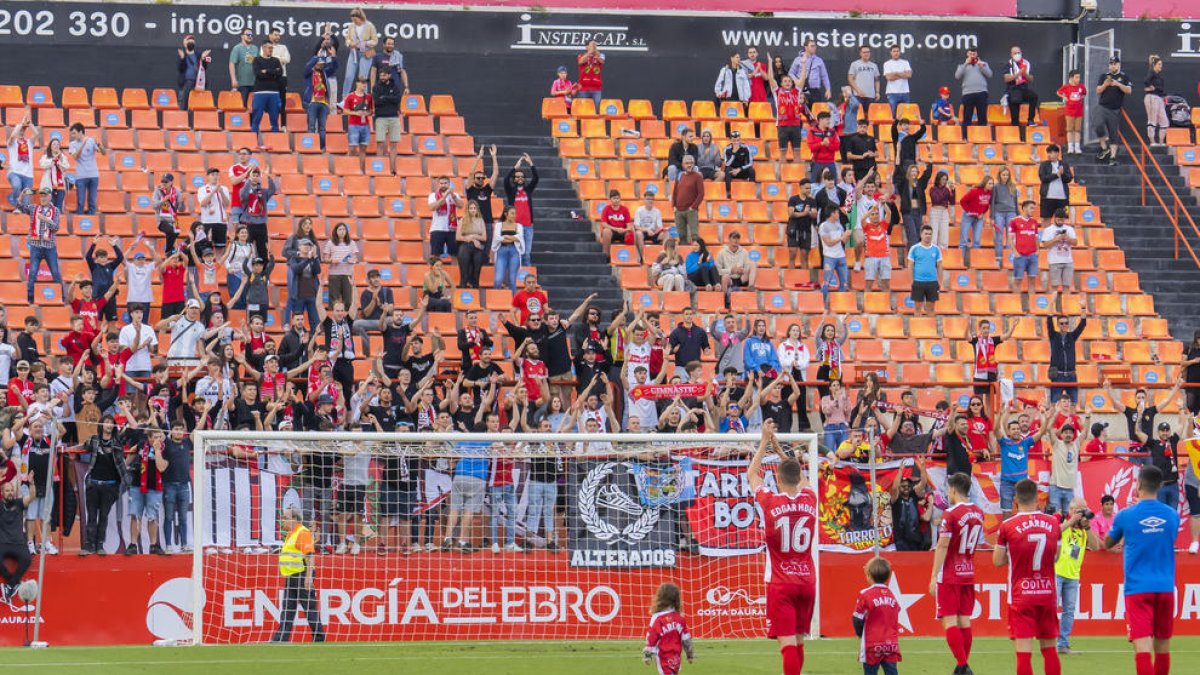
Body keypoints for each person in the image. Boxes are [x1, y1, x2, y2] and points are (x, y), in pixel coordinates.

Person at [749, 422, 817, 675]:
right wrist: (780, 451)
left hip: (781, 582)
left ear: (777, 478)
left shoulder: (769, 501)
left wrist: (765, 441)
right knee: (798, 641)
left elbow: (752, 475)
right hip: (807, 582)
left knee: (787, 643)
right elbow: (799, 475)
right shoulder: (810, 498)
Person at [1104, 465, 1179, 675]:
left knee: (1142, 646)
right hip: (1165, 587)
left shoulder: (1126, 516)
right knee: (1163, 646)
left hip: (1138, 589)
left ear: (1137, 485)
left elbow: (1108, 543)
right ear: (1161, 485)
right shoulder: (1172, 516)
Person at [994, 479, 1063, 675]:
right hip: (1047, 593)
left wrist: (1016, 555)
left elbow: (998, 561)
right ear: (1037, 498)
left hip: (1021, 595)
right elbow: (1055, 556)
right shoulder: (1053, 523)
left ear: (1015, 499)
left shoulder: (1007, 526)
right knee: (1050, 650)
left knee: (1023, 653)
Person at [929, 472, 984, 675]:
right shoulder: (979, 513)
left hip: (950, 573)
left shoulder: (950, 514)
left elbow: (943, 544)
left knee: (949, 621)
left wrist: (934, 575)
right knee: (964, 620)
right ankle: (963, 666)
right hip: (968, 570)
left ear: (952, 490)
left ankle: (963, 665)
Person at [271, 507, 325, 642]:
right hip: (291, 576)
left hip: (302, 575)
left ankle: (319, 638)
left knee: (309, 608)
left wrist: (308, 577)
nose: (283, 520)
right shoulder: (291, 533)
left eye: (286, 518)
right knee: (287, 609)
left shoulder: (302, 532)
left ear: (295, 520)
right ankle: (280, 638)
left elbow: (310, 555)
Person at [1055, 498, 1101, 655]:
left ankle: (1063, 644)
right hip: (1056, 572)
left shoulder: (1083, 530)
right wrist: (1072, 519)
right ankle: (1047, 642)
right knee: (1051, 609)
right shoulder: (1062, 522)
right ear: (1071, 510)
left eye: (1084, 510)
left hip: (1073, 575)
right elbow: (1055, 532)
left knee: (1069, 610)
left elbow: (1096, 546)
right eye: (1079, 510)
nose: (1082, 514)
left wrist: (1087, 527)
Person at [853, 557, 902, 675]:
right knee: (892, 672)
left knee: (870, 672)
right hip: (891, 644)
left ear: (869, 575)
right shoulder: (891, 594)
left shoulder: (865, 594)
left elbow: (857, 618)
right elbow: (896, 612)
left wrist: (860, 633)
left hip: (872, 644)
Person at [16, 187, 64, 304]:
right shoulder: (33, 208)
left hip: (50, 248)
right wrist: (21, 196)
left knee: (56, 273)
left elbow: (56, 228)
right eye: (41, 196)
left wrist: (46, 220)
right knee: (32, 273)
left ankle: (61, 297)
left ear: (50, 197)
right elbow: (20, 207)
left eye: (45, 196)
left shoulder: (56, 211)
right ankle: (31, 298)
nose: (42, 198)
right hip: (36, 247)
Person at [643, 582, 695, 675]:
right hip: (676, 657)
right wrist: (689, 654)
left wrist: (647, 654)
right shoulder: (680, 618)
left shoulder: (657, 618)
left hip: (663, 656)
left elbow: (651, 636)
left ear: (660, 598)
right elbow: (686, 638)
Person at [0, 480, 34, 602]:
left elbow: (32, 496)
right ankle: (13, 583)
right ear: (2, 492)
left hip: (18, 542)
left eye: (11, 490)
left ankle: (9, 586)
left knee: (27, 559)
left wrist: (32, 484)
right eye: (7, 490)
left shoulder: (19, 503)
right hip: (3, 542)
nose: (10, 493)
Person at [1095, 56, 1132, 165]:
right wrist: (1105, 84)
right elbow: (1098, 90)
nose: (1113, 66)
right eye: (1111, 64)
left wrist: (1118, 84)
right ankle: (1104, 148)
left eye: (1115, 64)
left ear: (1119, 64)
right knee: (1098, 126)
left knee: (1113, 133)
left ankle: (1113, 157)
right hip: (1103, 106)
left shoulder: (1124, 76)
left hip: (1115, 109)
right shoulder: (1104, 76)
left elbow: (1129, 90)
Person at [503, 154, 539, 266]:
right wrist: (515, 168)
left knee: (526, 253)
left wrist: (531, 164)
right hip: (515, 226)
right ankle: (515, 277)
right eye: (517, 176)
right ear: (514, 179)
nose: (520, 178)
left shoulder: (528, 190)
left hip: (528, 226)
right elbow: (505, 180)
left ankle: (526, 278)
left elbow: (536, 178)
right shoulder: (511, 192)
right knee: (515, 252)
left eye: (522, 176)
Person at [303, 42, 338, 151]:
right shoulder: (309, 73)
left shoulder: (325, 73)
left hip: (324, 103)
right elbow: (307, 66)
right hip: (312, 102)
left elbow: (335, 67)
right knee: (311, 127)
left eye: (322, 63)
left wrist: (333, 56)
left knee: (322, 128)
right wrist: (316, 57)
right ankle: (311, 148)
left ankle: (321, 147)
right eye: (318, 63)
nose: (320, 65)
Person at [1041, 208, 1077, 314]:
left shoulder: (1069, 229)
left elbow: (1075, 242)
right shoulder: (1048, 230)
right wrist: (1055, 239)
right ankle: (1054, 309)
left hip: (1068, 261)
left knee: (1067, 286)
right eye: (1058, 220)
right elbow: (1045, 245)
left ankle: (1066, 309)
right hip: (1054, 261)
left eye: (1062, 220)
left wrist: (1067, 239)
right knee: (1054, 286)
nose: (1060, 222)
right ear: (1054, 219)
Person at [67, 123, 105, 215]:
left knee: (92, 202)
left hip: (93, 175)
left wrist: (98, 144)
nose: (73, 136)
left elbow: (103, 153)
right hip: (81, 176)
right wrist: (83, 143)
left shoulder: (91, 141)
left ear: (80, 132)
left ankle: (91, 224)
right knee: (80, 202)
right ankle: (79, 224)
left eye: (74, 133)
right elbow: (75, 157)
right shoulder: (72, 144)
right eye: (72, 134)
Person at [372, 67, 403, 175]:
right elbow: (376, 101)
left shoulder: (395, 86)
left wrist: (384, 98)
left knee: (393, 145)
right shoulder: (376, 87)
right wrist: (390, 98)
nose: (382, 77)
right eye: (380, 75)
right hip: (380, 118)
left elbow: (397, 99)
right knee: (380, 143)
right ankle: (379, 170)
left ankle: (393, 169)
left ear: (389, 75)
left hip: (394, 118)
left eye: (384, 75)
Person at [341, 8, 378, 100]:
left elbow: (375, 41)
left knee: (362, 77)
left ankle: (364, 100)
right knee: (348, 76)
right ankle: (344, 99)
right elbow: (347, 39)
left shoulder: (370, 26)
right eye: (352, 20)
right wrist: (350, 43)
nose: (354, 22)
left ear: (360, 17)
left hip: (365, 54)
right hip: (353, 53)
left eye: (356, 20)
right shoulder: (351, 26)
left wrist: (364, 43)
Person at [1003, 46, 1039, 137]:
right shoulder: (1008, 64)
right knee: (1015, 104)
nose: (1017, 55)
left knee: (1033, 96)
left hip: (1023, 88)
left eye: (1019, 52)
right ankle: (1016, 136)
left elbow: (1031, 79)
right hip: (1013, 89)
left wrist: (1024, 73)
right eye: (1015, 53)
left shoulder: (1026, 63)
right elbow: (1006, 78)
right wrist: (1018, 73)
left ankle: (1030, 120)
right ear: (1011, 54)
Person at [249, 41, 284, 134]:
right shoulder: (257, 60)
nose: (271, 50)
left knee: (274, 120)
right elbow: (258, 74)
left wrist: (266, 71)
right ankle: (253, 142)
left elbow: (279, 73)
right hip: (260, 92)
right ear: (263, 48)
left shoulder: (276, 60)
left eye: (272, 48)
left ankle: (275, 142)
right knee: (256, 119)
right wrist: (272, 72)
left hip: (274, 93)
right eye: (269, 48)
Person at [908, 226, 942, 317]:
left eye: (930, 234)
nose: (928, 236)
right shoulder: (914, 248)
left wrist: (940, 281)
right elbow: (910, 266)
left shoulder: (936, 249)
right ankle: (917, 330)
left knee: (931, 309)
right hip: (918, 282)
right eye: (926, 234)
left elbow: (939, 266)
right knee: (918, 309)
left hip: (932, 282)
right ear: (921, 235)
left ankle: (930, 330)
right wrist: (911, 281)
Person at [342, 77, 374, 174]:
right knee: (352, 148)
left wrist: (367, 113)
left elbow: (371, 110)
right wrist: (356, 113)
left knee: (363, 148)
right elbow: (345, 110)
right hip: (354, 125)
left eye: (365, 83)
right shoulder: (350, 96)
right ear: (357, 84)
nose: (364, 85)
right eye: (362, 83)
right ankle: (348, 168)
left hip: (365, 125)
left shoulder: (368, 97)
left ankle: (361, 170)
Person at [957, 176, 993, 260]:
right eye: (990, 183)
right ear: (985, 183)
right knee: (963, 241)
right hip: (968, 216)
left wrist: (982, 213)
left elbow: (987, 205)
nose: (991, 185)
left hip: (979, 218)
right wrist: (970, 211)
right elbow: (962, 201)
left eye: (992, 184)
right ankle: (960, 262)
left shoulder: (990, 193)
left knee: (977, 241)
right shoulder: (974, 191)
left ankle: (976, 261)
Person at [955, 47, 992, 127]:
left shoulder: (983, 64)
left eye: (974, 54)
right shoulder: (962, 65)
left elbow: (989, 74)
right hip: (968, 94)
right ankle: (966, 138)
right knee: (967, 118)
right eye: (970, 54)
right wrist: (965, 64)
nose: (972, 56)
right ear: (967, 54)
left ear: (977, 54)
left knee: (982, 117)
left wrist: (981, 66)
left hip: (981, 93)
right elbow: (957, 76)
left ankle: (982, 137)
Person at [672, 156, 705, 245]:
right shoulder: (680, 176)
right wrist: (674, 206)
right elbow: (675, 192)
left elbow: (701, 194)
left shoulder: (698, 177)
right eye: (687, 163)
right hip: (679, 211)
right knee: (682, 236)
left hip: (691, 211)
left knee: (694, 236)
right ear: (683, 165)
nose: (689, 165)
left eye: (691, 163)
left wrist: (693, 207)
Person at [1037, 144, 1072, 226]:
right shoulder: (1044, 165)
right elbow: (1043, 178)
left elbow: (1069, 178)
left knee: (1062, 219)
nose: (1049, 155)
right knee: (1046, 219)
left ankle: (1060, 237)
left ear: (1057, 153)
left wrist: (1062, 174)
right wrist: (1056, 175)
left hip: (1062, 198)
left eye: (1051, 153)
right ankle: (1046, 237)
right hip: (1047, 197)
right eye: (1048, 153)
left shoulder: (1064, 164)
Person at [1056, 70, 1086, 154]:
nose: (1078, 79)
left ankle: (1077, 147)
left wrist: (1079, 99)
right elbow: (1058, 92)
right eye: (1076, 77)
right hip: (1069, 112)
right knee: (1069, 129)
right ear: (1071, 78)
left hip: (1079, 112)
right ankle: (1070, 147)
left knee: (1077, 130)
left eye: (1079, 77)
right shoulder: (1066, 87)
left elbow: (1084, 94)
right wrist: (1064, 97)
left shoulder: (1081, 87)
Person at [228, 30, 259, 106]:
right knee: (242, 106)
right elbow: (231, 64)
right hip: (242, 84)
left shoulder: (255, 48)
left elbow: (258, 63)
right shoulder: (237, 48)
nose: (250, 36)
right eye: (248, 34)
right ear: (242, 36)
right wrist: (233, 79)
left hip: (254, 83)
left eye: (251, 35)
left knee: (254, 107)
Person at [847, 46, 880, 114]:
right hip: (858, 96)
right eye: (864, 52)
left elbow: (877, 80)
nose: (866, 54)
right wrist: (858, 91)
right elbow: (850, 79)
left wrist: (877, 92)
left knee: (869, 117)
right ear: (860, 53)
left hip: (871, 95)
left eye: (868, 52)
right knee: (858, 116)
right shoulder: (854, 64)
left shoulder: (874, 65)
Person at [1143, 55, 1168, 147]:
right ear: (1155, 65)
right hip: (1151, 97)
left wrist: (1164, 97)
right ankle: (1152, 141)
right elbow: (1146, 81)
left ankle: (1161, 142)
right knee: (1152, 120)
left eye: (1161, 64)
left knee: (1164, 121)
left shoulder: (1159, 76)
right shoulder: (1152, 72)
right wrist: (1150, 87)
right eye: (1159, 64)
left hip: (1159, 98)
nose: (1161, 66)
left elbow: (1161, 89)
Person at [882, 46, 912, 117]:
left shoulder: (905, 62)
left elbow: (909, 74)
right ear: (891, 52)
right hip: (892, 93)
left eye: (897, 51)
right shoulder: (887, 63)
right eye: (894, 51)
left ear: (900, 52)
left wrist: (895, 73)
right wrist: (902, 74)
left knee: (905, 116)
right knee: (893, 115)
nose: (896, 53)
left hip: (905, 92)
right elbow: (889, 77)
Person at [722, 132, 756, 197]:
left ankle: (752, 191)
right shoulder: (727, 149)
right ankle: (728, 192)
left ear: (740, 140)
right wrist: (734, 153)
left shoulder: (745, 147)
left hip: (741, 170)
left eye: (738, 140)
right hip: (732, 171)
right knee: (727, 170)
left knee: (752, 170)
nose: (736, 142)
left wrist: (740, 169)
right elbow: (727, 163)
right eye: (734, 140)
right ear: (731, 140)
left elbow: (750, 163)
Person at [576, 40, 605, 106]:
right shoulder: (581, 55)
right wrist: (590, 52)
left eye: (594, 46)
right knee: (584, 108)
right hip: (584, 88)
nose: (592, 47)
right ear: (586, 47)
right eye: (590, 46)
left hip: (596, 88)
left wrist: (594, 49)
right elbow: (581, 61)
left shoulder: (601, 55)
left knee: (597, 108)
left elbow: (602, 61)